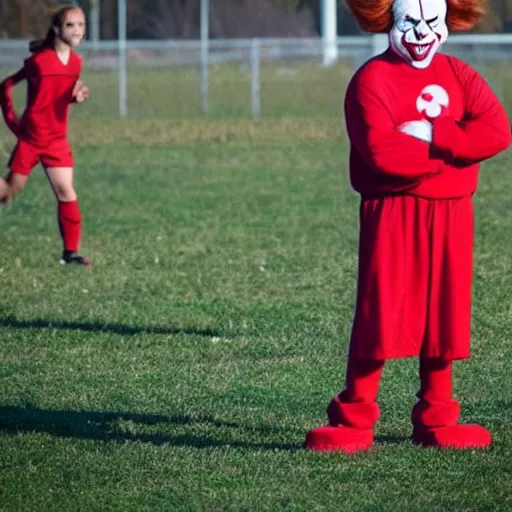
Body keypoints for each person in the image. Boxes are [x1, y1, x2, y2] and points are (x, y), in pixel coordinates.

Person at [305, 0, 511, 453]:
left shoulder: (460, 74)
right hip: (392, 213)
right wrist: (457, 160)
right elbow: (382, 154)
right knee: (381, 311)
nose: (421, 33)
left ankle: (437, 416)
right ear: (387, 22)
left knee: (443, 313)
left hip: (452, 215)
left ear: (449, 22)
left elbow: (497, 131)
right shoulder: (370, 80)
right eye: (410, 22)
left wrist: (435, 135)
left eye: (432, 22)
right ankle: (354, 416)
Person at [0, 5, 91, 266]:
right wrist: (14, 125)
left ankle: (70, 253)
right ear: (57, 29)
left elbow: (58, 98)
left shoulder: (76, 63)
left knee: (67, 192)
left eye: (81, 25)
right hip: (31, 139)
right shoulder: (38, 62)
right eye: (70, 25)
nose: (76, 30)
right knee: (8, 193)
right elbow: (5, 86)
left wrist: (75, 97)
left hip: (56, 140)